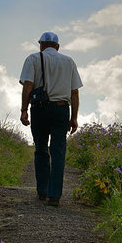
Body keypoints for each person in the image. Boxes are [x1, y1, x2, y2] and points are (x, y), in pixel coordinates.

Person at [19, 31, 81, 207]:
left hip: (39, 109)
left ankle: (42, 191)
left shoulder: (32, 59)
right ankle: (55, 196)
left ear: (41, 45)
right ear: (58, 46)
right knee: (58, 151)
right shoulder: (69, 61)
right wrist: (74, 117)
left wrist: (24, 110)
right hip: (62, 109)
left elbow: (28, 86)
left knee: (41, 149)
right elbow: (74, 92)